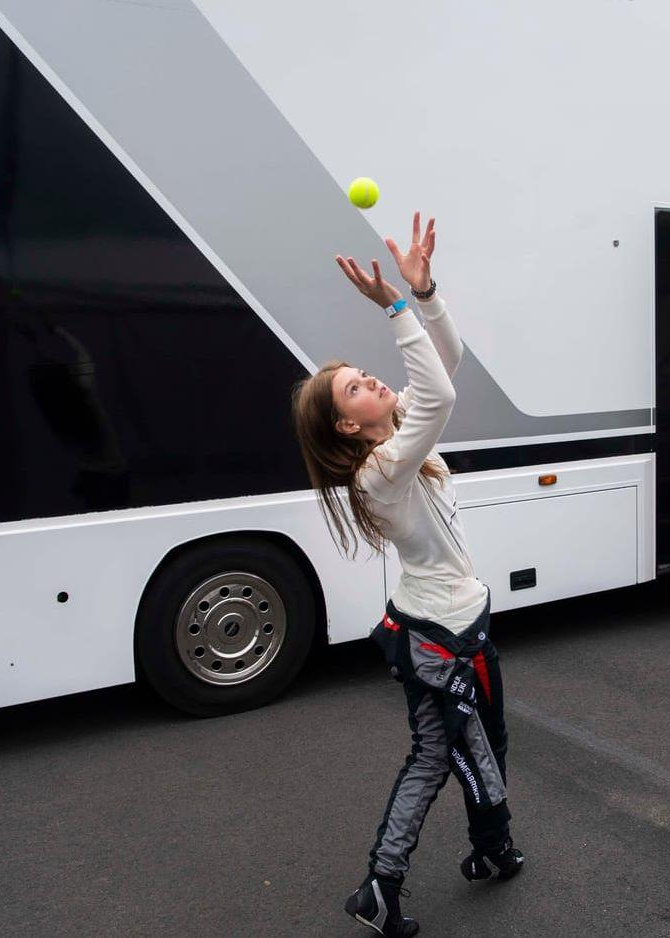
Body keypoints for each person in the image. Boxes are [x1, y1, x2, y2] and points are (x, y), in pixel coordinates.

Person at [291, 213, 523, 938]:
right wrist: (394, 307)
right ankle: (381, 885)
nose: (372, 381)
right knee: (437, 755)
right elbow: (442, 392)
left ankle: (490, 850)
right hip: (436, 638)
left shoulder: (404, 447)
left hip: (461, 617)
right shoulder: (380, 471)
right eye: (357, 388)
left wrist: (424, 295)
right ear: (348, 428)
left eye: (363, 377)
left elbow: (442, 368)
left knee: (485, 741)